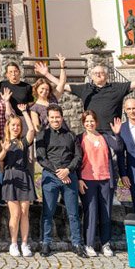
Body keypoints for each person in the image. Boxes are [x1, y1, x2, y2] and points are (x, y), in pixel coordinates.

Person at [55, 52, 135, 131]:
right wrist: (47, 74)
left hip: (112, 132)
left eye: (101, 72)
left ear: (106, 75)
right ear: (91, 76)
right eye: (95, 73)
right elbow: (62, 85)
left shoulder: (116, 88)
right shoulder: (85, 89)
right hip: (92, 131)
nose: (98, 75)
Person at [35, 105, 84, 257]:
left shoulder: (71, 135)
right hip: (51, 176)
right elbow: (41, 157)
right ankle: (45, 243)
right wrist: (58, 172)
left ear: (62, 118)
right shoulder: (42, 135)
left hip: (69, 176)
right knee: (48, 212)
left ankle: (76, 243)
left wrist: (68, 170)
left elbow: (78, 156)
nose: (55, 120)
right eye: (52, 117)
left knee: (73, 212)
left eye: (58, 117)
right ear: (48, 119)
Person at [77, 111, 125, 257]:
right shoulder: (80, 138)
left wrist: (117, 134)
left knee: (106, 212)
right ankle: (89, 244)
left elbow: (118, 148)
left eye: (92, 121)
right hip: (87, 180)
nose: (90, 124)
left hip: (105, 179)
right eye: (87, 121)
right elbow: (77, 159)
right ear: (83, 123)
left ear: (96, 122)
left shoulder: (104, 137)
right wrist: (79, 179)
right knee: (90, 212)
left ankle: (106, 244)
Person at [0, 112, 37, 257]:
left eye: (18, 125)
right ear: (8, 126)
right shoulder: (4, 142)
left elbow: (31, 130)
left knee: (25, 212)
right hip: (10, 176)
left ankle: (24, 243)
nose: (16, 127)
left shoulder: (23, 142)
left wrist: (25, 113)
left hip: (23, 175)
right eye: (13, 125)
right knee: (15, 213)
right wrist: (5, 149)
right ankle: (13, 243)